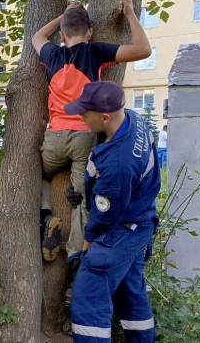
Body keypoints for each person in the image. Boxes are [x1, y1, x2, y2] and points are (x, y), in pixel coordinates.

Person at [31, 0, 152, 263]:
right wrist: (130, 14)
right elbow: (143, 50)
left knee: (39, 174)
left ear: (61, 36)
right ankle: (75, 253)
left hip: (55, 138)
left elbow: (37, 36)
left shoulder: (52, 53)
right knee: (82, 196)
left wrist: (63, 14)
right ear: (90, 33)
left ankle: (47, 215)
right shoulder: (95, 51)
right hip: (85, 137)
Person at [63, 81, 161, 343]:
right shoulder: (132, 118)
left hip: (119, 230)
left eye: (85, 114)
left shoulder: (119, 163)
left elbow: (107, 212)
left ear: (105, 117)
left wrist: (89, 239)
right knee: (129, 292)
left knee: (88, 299)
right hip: (139, 222)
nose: (81, 118)